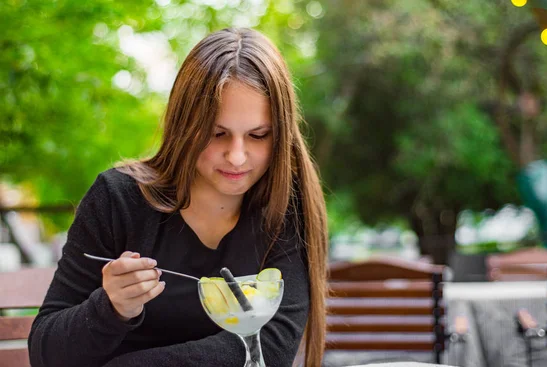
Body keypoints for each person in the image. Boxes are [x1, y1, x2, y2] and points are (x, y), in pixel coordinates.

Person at [28, 27, 328, 367]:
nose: (237, 156)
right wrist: (111, 308)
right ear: (185, 125)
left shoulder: (285, 208)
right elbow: (46, 353)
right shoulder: (118, 200)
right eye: (218, 133)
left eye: (258, 136)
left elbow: (269, 350)